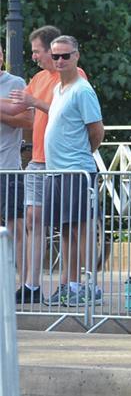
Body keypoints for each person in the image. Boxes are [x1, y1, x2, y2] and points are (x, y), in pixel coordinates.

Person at [7, 25, 87, 304]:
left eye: (37, 51)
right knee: (31, 220)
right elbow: (16, 107)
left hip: (62, 163)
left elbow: (70, 114)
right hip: (39, 159)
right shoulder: (40, 78)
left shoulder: (73, 77)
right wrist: (27, 101)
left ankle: (69, 283)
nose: (35, 57)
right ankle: (31, 284)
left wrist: (34, 102)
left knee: (67, 225)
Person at [40, 35, 105, 306]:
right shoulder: (58, 89)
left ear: (77, 56)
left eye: (66, 55)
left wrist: (79, 156)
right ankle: (68, 283)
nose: (61, 61)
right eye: (56, 56)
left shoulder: (83, 90)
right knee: (65, 230)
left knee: (80, 229)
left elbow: (96, 131)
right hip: (58, 170)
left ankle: (83, 284)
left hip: (77, 170)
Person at [0, 44, 32, 289]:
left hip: (7, 167)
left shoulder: (15, 83)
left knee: (16, 226)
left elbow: (27, 119)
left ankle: (24, 285)